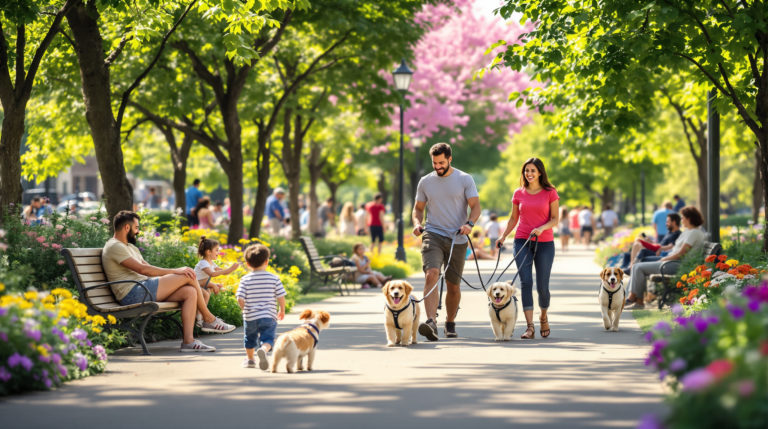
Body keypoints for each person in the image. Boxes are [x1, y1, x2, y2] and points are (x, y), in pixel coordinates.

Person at [101, 211, 234, 353]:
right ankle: (208, 318)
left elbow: (148, 267)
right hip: (132, 293)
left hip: (144, 288)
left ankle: (188, 342)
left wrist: (174, 273)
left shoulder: (130, 247)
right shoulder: (115, 246)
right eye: (136, 228)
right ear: (127, 228)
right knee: (188, 274)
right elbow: (143, 270)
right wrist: (176, 271)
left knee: (190, 292)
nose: (138, 231)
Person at [412, 142, 480, 341]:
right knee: (431, 274)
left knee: (453, 285)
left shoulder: (465, 179)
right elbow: (418, 208)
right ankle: (431, 321)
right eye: (434, 163)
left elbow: (475, 207)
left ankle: (450, 322)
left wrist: (470, 223)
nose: (438, 166)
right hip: (432, 233)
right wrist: (417, 223)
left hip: (457, 238)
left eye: (441, 162)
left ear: (450, 159)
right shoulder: (425, 182)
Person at [496, 157, 559, 340]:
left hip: (545, 242)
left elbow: (555, 218)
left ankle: (544, 316)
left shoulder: (550, 192)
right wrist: (503, 236)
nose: (529, 174)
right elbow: (513, 218)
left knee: (542, 286)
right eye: (526, 171)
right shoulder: (518, 193)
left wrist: (542, 228)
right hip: (522, 240)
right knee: (525, 282)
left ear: (540, 172)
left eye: (532, 170)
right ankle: (530, 326)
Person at [625, 206, 707, 309]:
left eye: (683, 218)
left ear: (689, 218)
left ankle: (635, 299)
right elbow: (676, 251)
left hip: (678, 265)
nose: (681, 220)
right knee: (637, 266)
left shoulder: (694, 233)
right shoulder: (688, 231)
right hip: (673, 262)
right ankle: (637, 299)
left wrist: (664, 259)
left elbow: (680, 254)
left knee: (638, 267)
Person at [236, 243, 286, 370]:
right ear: (267, 261)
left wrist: (242, 305)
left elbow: (240, 297)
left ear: (247, 264)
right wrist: (282, 309)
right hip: (268, 316)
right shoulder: (274, 278)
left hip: (250, 316)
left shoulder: (245, 279)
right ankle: (264, 349)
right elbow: (281, 296)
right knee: (268, 338)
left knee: (249, 338)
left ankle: (250, 359)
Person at [194, 236, 240, 326]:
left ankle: (200, 318)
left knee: (207, 294)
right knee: (206, 294)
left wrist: (231, 270)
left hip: (202, 285)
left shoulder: (211, 263)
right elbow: (212, 274)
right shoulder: (203, 263)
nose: (218, 253)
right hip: (195, 285)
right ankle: (200, 318)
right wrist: (213, 284)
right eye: (217, 250)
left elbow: (221, 271)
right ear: (208, 252)